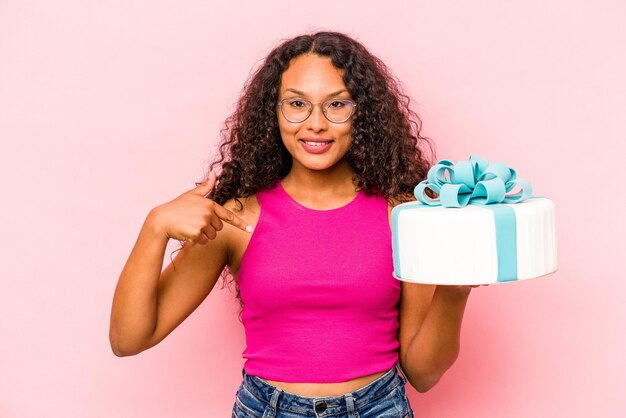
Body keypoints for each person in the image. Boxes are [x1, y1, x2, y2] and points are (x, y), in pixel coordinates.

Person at [109, 31, 475, 418]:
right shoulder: (236, 218)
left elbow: (423, 374)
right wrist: (155, 226)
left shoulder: (401, 215)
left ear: (362, 113)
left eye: (336, 105)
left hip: (378, 408)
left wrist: (456, 290)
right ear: (274, 112)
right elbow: (128, 339)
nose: (315, 123)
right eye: (296, 104)